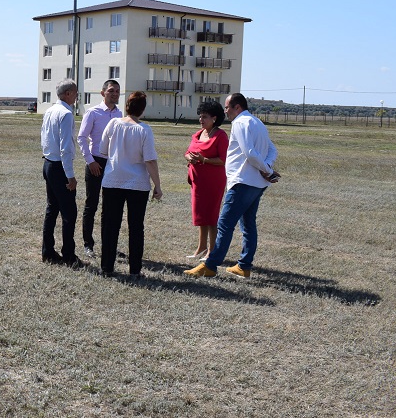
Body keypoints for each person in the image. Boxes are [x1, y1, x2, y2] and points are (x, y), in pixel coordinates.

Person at [185, 93, 278, 279]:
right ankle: (244, 266)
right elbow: (272, 150)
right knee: (248, 224)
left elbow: (249, 153)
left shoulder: (240, 123)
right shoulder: (258, 122)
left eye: (227, 107)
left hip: (242, 182)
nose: (225, 111)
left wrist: (266, 170)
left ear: (237, 107)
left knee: (224, 224)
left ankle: (210, 265)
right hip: (256, 183)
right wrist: (267, 168)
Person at [98, 91, 162, 276]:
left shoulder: (113, 124)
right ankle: (135, 269)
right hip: (137, 184)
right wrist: (157, 186)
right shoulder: (144, 130)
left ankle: (107, 267)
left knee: (110, 226)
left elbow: (103, 150)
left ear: (126, 106)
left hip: (112, 181)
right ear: (142, 109)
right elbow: (150, 160)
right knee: (136, 227)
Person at [41, 79, 85, 268]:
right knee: (69, 213)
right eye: (75, 93)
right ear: (67, 94)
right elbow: (65, 148)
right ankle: (68, 255)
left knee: (52, 209)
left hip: (48, 163)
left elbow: (44, 138)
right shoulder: (66, 114)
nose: (76, 96)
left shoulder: (50, 111)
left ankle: (48, 251)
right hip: (59, 167)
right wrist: (70, 176)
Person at [76, 79, 122, 258]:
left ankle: (109, 245)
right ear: (103, 93)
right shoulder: (93, 112)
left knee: (110, 207)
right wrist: (90, 161)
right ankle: (88, 244)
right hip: (95, 162)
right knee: (92, 204)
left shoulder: (119, 114)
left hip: (112, 164)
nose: (115, 94)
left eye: (117, 91)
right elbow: (81, 138)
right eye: (111, 90)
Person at [184, 100, 228, 259]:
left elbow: (223, 160)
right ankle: (201, 248)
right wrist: (190, 158)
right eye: (200, 116)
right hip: (197, 182)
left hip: (213, 182)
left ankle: (212, 250)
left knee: (211, 215)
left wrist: (203, 160)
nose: (201, 120)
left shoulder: (220, 136)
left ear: (214, 118)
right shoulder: (198, 134)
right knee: (201, 215)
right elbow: (188, 152)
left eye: (204, 117)